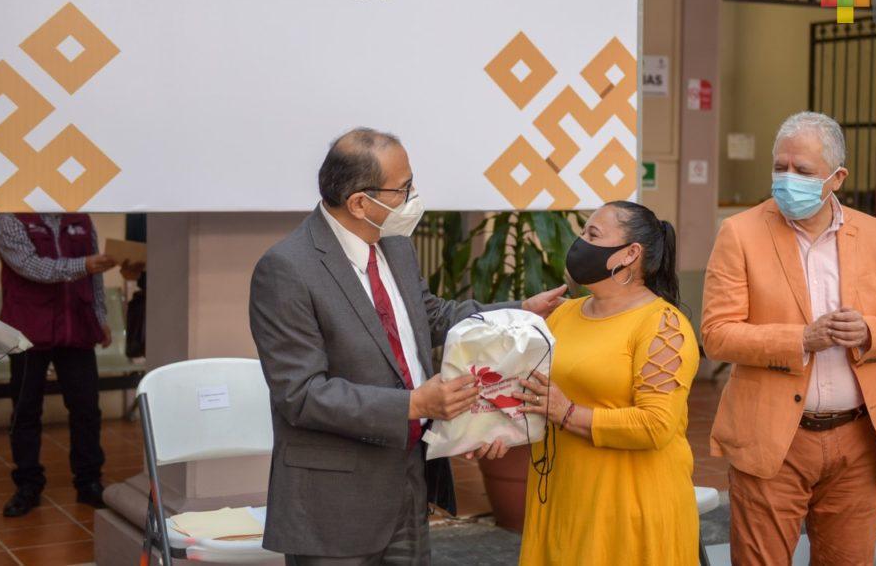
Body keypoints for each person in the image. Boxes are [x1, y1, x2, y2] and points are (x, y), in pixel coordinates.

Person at [249, 128, 566, 565]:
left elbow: (430, 315)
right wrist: (414, 405)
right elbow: (301, 395)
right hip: (334, 502)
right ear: (359, 203)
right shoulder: (286, 269)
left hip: (408, 483)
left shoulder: (395, 245)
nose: (412, 198)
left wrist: (520, 309)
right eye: (403, 188)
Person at [702, 111, 876, 564]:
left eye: (802, 171)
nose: (787, 179)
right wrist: (801, 339)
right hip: (773, 438)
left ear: (837, 178)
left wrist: (869, 331)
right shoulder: (739, 233)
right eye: (779, 167)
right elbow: (716, 335)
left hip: (856, 438)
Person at [515, 201, 700, 565]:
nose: (580, 242)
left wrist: (568, 413)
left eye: (593, 234)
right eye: (583, 231)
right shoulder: (563, 313)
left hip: (629, 508)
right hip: (563, 498)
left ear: (630, 254)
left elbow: (656, 425)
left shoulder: (663, 326)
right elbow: (533, 390)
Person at [0, 212, 117, 517]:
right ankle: (28, 485)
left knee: (87, 409)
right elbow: (31, 266)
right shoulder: (10, 218)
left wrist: (100, 317)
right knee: (25, 411)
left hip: (76, 327)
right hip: (28, 330)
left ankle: (89, 482)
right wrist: (83, 265)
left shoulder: (81, 219)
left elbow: (95, 276)